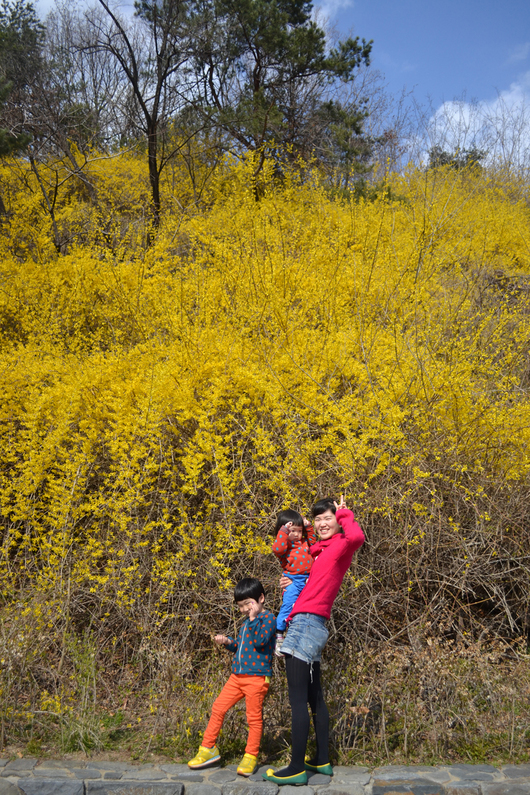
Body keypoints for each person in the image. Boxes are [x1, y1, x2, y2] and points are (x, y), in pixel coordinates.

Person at [263, 496, 364, 786]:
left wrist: (344, 512)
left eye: (327, 518)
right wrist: (291, 581)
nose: (321, 523)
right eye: (317, 519)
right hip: (308, 622)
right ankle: (321, 760)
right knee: (313, 697)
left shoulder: (342, 544)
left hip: (306, 625)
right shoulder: (319, 552)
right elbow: (305, 570)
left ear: (337, 520)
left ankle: (296, 767)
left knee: (297, 700)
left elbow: (357, 535)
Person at [188, 577, 276, 777]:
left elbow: (261, 641)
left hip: (256, 678)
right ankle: (208, 749)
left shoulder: (268, 619)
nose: (245, 609)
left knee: (253, 718)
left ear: (261, 598)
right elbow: (242, 647)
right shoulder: (246, 624)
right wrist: (228, 642)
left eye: (248, 604)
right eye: (241, 606)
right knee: (218, 707)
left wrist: (253, 620)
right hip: (236, 677)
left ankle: (251, 756)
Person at [272, 509, 317, 657]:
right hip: (293, 581)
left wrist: (309, 527)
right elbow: (277, 548)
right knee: (288, 605)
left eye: (299, 531)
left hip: (308, 579)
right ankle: (279, 633)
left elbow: (313, 543)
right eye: (293, 531)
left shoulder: (304, 542)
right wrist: (284, 532)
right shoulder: (285, 547)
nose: (297, 534)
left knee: (305, 610)